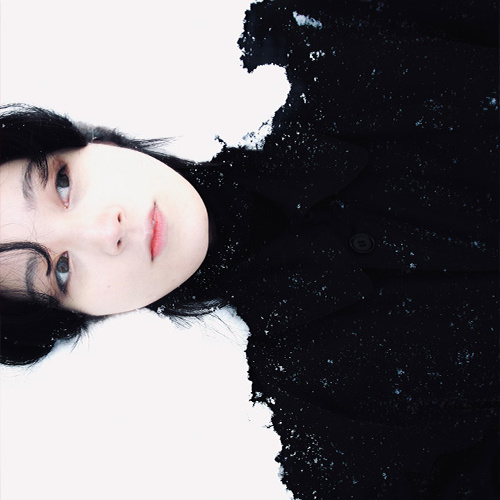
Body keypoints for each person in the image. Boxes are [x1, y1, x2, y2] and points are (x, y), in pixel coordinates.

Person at [1, 1, 498, 498]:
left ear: (87, 142)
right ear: (79, 317)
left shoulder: (308, 35)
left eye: (62, 183)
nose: (104, 230)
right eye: (61, 271)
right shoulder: (306, 437)